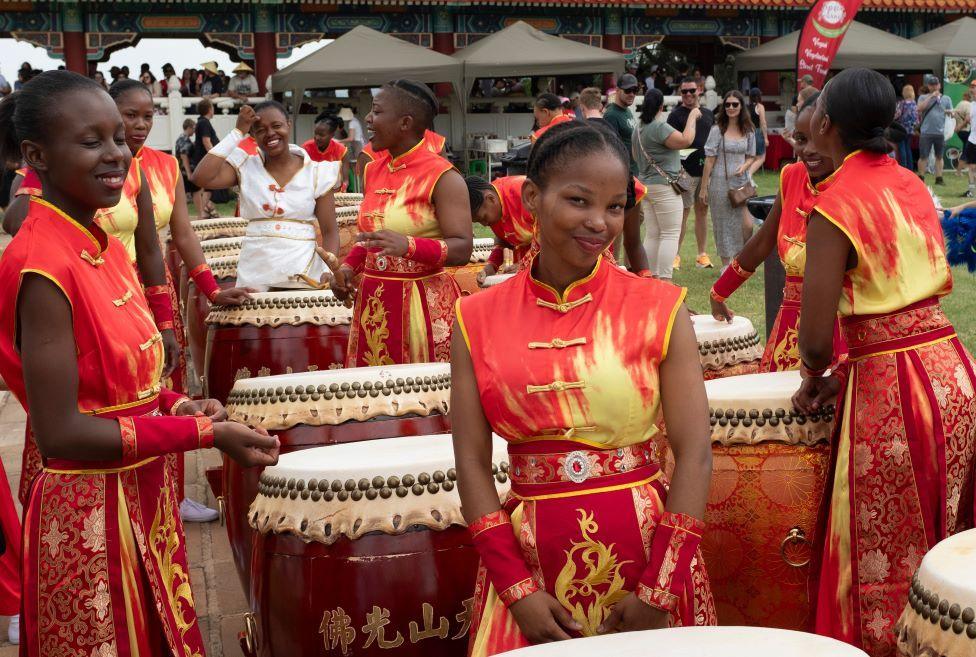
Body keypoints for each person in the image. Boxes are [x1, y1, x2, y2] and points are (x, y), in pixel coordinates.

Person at [0, 69, 279, 657]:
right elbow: (62, 432)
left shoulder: (97, 237)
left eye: (119, 140)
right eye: (91, 141)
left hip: (138, 495)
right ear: (35, 156)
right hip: (91, 516)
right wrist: (204, 431)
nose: (117, 155)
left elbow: (123, 384)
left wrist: (179, 401)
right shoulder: (42, 266)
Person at [451, 120, 716, 654]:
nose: (599, 222)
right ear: (532, 197)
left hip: (648, 560)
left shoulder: (659, 308)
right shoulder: (475, 317)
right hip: (529, 564)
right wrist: (516, 589)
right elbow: (473, 464)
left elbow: (695, 455)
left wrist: (659, 588)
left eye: (616, 206)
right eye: (579, 200)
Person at [792, 67, 976, 657]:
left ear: (825, 122)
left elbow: (816, 342)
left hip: (893, 390)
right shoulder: (913, 183)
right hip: (952, 371)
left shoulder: (835, 204)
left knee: (886, 549)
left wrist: (819, 377)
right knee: (948, 543)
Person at [113, 79, 253, 521]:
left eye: (146, 116)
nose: (139, 124)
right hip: (107, 285)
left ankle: (170, 493)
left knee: (167, 390)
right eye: (128, 115)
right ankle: (118, 486)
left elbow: (183, 233)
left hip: (153, 288)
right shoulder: (95, 163)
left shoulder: (164, 165)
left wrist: (211, 289)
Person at [330, 79, 472, 367]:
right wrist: (347, 268)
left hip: (422, 308)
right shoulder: (372, 170)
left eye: (377, 112)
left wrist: (408, 246)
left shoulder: (443, 177)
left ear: (405, 122)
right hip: (374, 305)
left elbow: (463, 247)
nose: (368, 119)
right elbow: (371, 238)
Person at [710, 92, 846, 372]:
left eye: (815, 140)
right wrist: (719, 291)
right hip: (790, 328)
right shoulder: (791, 176)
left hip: (843, 327)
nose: (807, 149)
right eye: (800, 139)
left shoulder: (853, 184)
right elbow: (762, 241)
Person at [191, 101, 341, 291]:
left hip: (305, 272)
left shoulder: (318, 173)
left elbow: (330, 232)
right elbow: (201, 177)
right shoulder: (245, 166)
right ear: (252, 135)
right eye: (260, 130)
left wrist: (327, 270)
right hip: (255, 272)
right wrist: (237, 132)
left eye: (277, 126)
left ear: (289, 124)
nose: (270, 133)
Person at [465, 166, 650, 282]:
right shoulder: (497, 208)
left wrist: (646, 279)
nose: (484, 224)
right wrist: (491, 267)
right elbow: (504, 239)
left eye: (483, 218)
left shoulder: (526, 196)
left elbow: (633, 244)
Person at [634, 88, 699, 281]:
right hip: (664, 186)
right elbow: (686, 139)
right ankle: (665, 279)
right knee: (670, 233)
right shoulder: (659, 127)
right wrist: (693, 116)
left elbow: (634, 156)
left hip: (647, 185)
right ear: (661, 106)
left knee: (653, 234)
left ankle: (651, 276)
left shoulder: (638, 129)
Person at [700, 90, 760, 270]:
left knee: (747, 225)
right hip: (720, 182)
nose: (731, 108)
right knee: (723, 224)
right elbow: (710, 159)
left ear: (741, 106)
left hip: (742, 183)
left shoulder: (748, 130)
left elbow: (752, 155)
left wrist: (745, 166)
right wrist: (704, 187)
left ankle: (740, 259)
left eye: (735, 104)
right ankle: (726, 265)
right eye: (727, 104)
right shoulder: (717, 130)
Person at [668, 77, 715, 270]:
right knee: (683, 213)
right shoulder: (675, 115)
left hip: (705, 172)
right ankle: (674, 255)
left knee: (702, 211)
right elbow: (670, 143)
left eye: (691, 91)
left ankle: (702, 255)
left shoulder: (708, 114)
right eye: (684, 91)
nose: (688, 95)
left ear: (700, 91)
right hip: (684, 172)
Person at [916, 74, 953, 185]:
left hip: (940, 132)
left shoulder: (946, 99)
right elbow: (919, 109)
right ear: (928, 86)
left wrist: (952, 113)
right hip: (926, 132)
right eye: (932, 85)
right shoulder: (923, 97)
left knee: (939, 156)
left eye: (936, 84)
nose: (934, 87)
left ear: (940, 85)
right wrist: (931, 96)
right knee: (923, 156)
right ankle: (921, 178)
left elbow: (951, 112)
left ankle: (939, 178)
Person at [602, 73, 639, 177]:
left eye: (634, 91)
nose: (632, 94)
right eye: (628, 90)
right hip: (625, 174)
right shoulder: (611, 115)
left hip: (635, 172)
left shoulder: (627, 110)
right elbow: (611, 150)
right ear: (617, 91)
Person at [302, 113, 350, 189]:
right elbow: (302, 174)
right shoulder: (306, 148)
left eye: (321, 135)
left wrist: (343, 188)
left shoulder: (341, 150)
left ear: (332, 135)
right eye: (315, 133)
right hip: (311, 189)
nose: (317, 138)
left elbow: (345, 180)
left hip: (333, 190)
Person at [191, 97, 219, 219]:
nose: (213, 110)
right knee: (205, 187)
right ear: (209, 109)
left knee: (208, 187)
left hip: (202, 158)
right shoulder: (204, 122)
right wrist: (215, 156)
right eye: (212, 107)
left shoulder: (202, 122)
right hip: (205, 159)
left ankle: (204, 212)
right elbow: (206, 141)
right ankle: (201, 215)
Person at [893, 84, 918, 170]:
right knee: (908, 148)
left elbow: (897, 115)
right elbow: (916, 118)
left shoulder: (902, 103)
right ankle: (910, 168)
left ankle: (903, 167)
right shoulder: (914, 104)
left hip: (901, 129)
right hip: (910, 129)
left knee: (901, 148)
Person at [748, 87, 768, 160]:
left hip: (747, 132)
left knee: (749, 156)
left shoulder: (747, 107)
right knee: (760, 157)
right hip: (757, 132)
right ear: (759, 96)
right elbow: (763, 122)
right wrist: (766, 138)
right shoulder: (760, 107)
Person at [955, 90, 972, 172]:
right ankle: (959, 171)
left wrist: (957, 128)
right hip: (965, 130)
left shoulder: (959, 104)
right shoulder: (969, 105)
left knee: (967, 149)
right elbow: (967, 119)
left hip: (959, 131)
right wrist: (960, 127)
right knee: (966, 150)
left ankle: (962, 169)